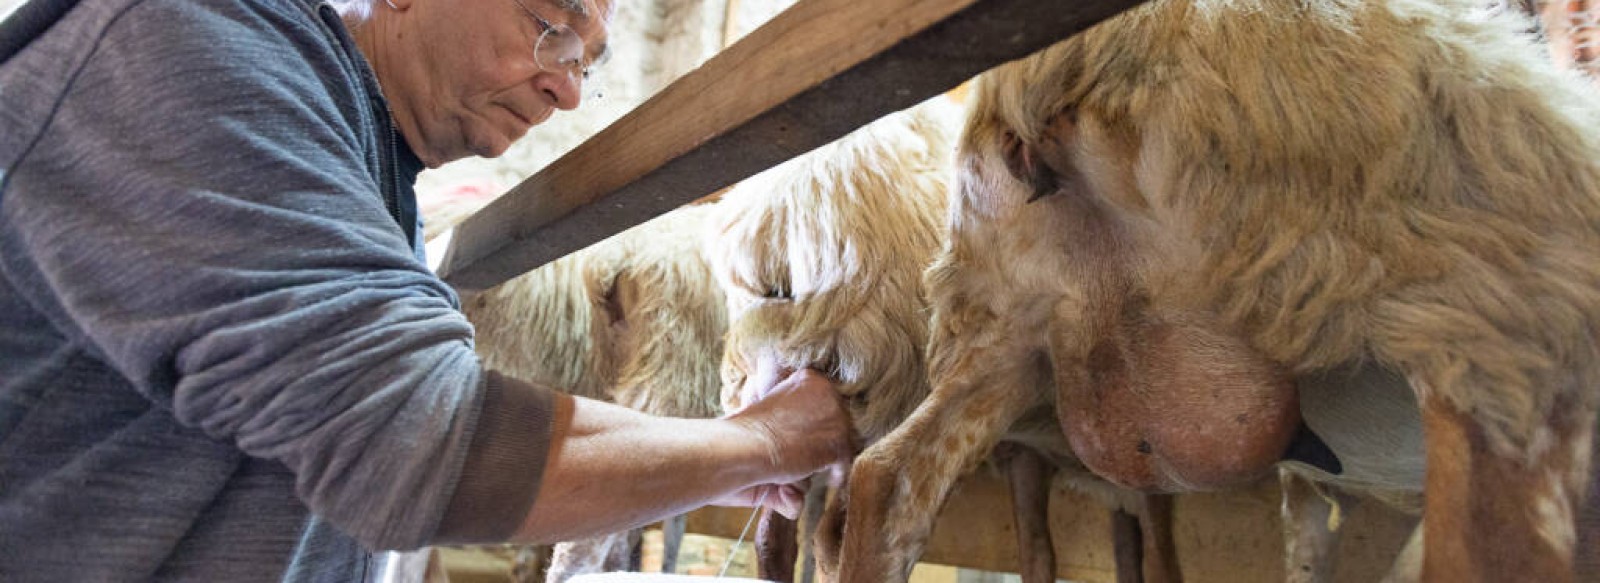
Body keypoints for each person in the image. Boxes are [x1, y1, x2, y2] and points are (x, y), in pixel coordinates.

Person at [0, 0, 855, 581]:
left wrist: (696, 461)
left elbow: (392, 422)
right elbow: (427, 443)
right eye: (551, 23)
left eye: (587, 62)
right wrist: (769, 441)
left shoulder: (359, 151)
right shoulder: (183, 54)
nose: (564, 86)